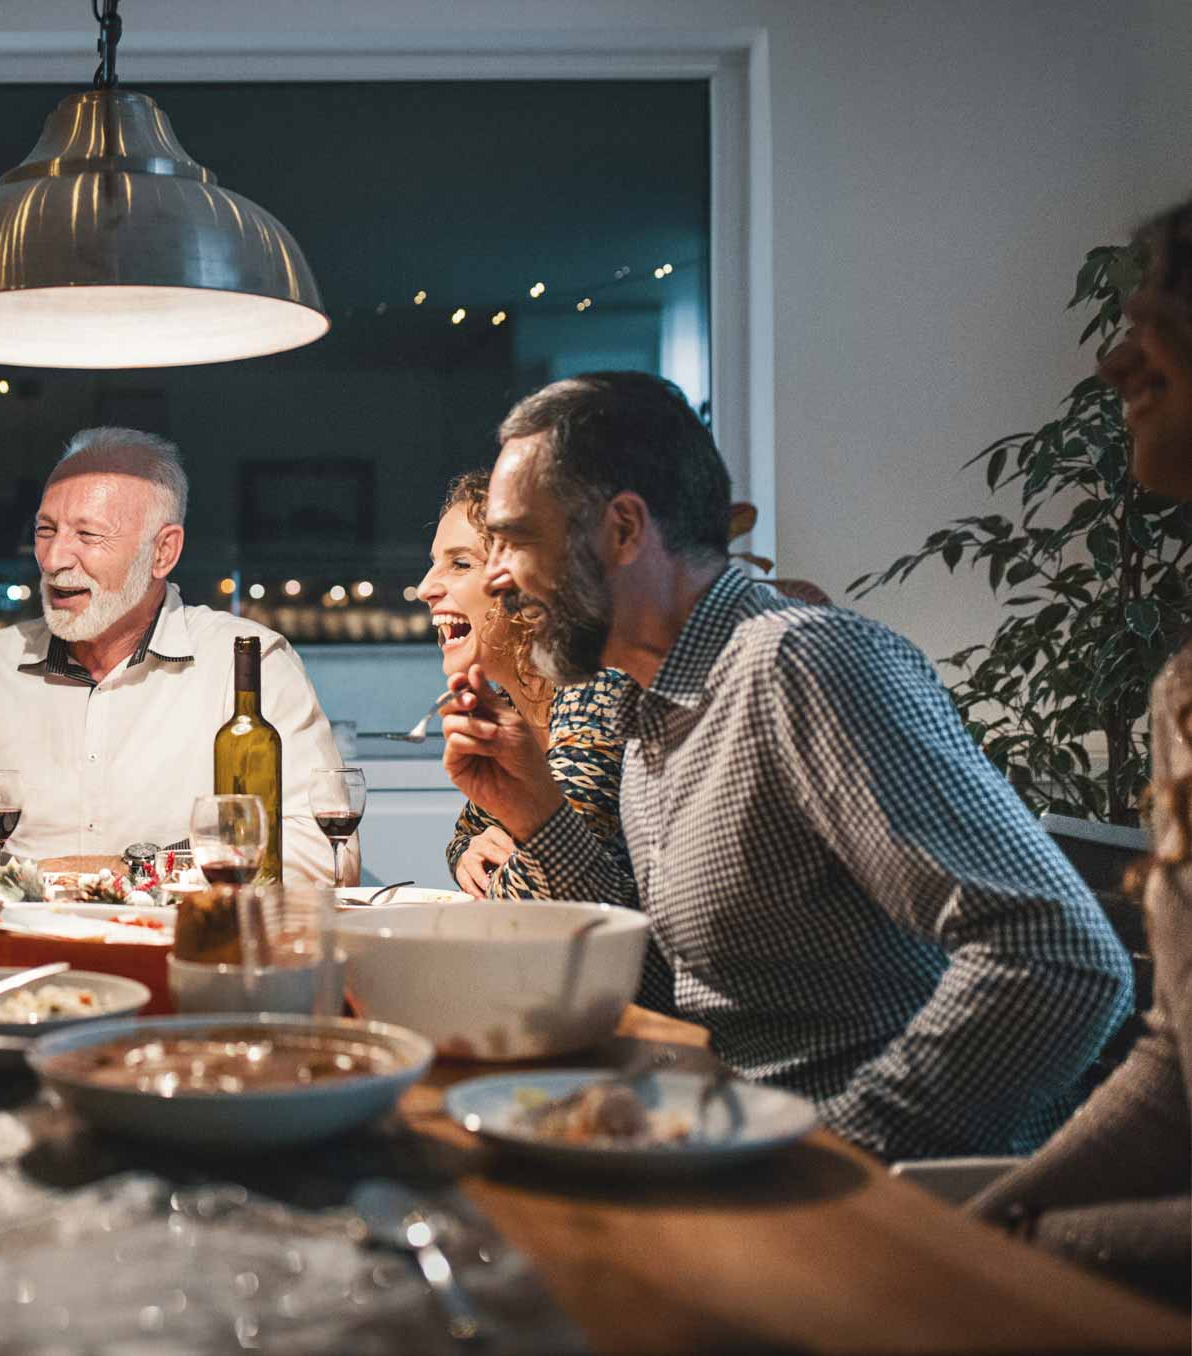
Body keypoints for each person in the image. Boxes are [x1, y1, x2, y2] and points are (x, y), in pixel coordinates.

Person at [442, 370, 1133, 1160]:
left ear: (624, 530)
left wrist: (835, 1152)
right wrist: (536, 812)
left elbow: (1060, 957)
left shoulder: (801, 665)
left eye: (518, 539)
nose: (496, 579)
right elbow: (693, 998)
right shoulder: (650, 713)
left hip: (883, 1188)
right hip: (727, 1141)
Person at [970, 198, 1192, 1304]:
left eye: (1153, 316)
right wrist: (980, 1225)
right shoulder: (1185, 691)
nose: (1111, 361)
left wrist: (1039, 1253)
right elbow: (1175, 1065)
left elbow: (1065, 961)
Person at [0, 428, 344, 880]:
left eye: (88, 535)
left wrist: (134, 871)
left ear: (163, 552)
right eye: (46, 530)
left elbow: (320, 855)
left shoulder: (248, 663)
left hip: (181, 947)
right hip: (26, 947)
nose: (53, 558)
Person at [422, 469, 635, 898]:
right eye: (434, 565)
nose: (427, 587)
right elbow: (464, 839)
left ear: (529, 582)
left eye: (460, 563)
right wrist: (470, 851)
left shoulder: (594, 684)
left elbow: (543, 889)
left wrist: (504, 865)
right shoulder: (515, 703)